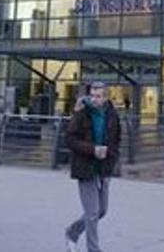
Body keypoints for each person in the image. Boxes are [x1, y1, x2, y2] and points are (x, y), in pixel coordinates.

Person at [64, 81, 121, 252]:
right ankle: (93, 249)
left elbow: (116, 138)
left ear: (105, 97)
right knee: (92, 212)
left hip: (104, 168)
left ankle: (72, 231)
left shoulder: (112, 114)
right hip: (85, 167)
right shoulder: (81, 113)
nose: (94, 99)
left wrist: (111, 158)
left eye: (98, 96)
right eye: (92, 95)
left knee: (102, 210)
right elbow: (70, 139)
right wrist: (93, 150)